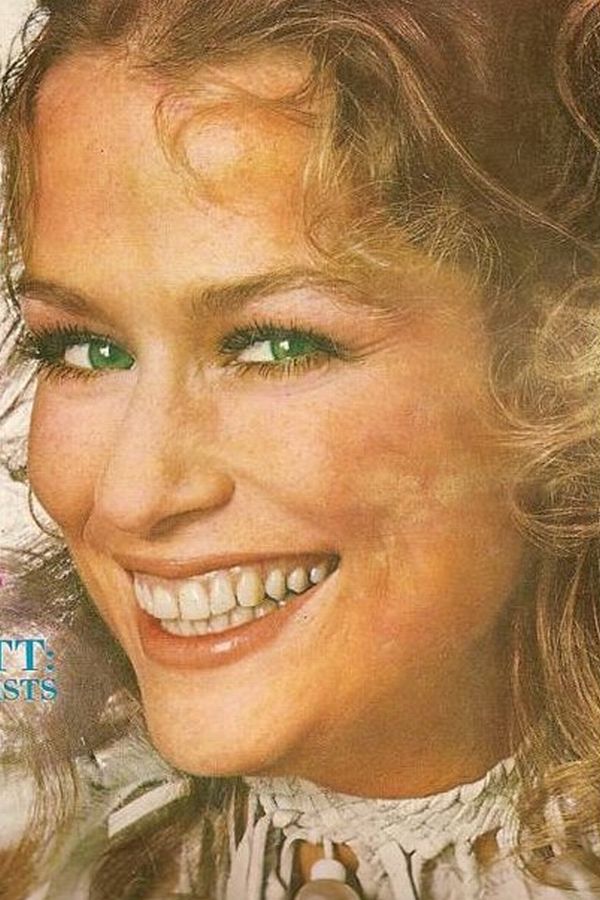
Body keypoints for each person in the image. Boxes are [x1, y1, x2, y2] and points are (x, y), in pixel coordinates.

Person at [1, 0, 600, 897]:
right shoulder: (44, 848)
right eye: (84, 350)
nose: (131, 494)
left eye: (276, 346)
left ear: (563, 369)